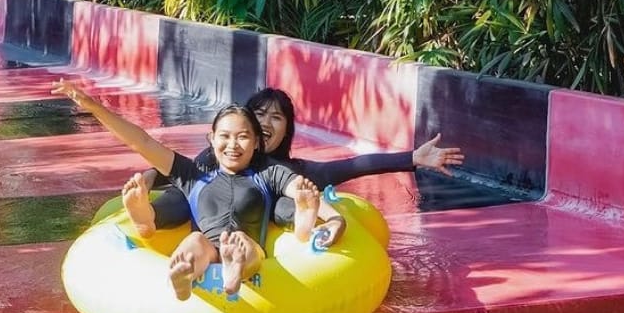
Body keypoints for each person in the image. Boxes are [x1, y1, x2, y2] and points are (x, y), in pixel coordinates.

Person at [52, 79, 343, 301]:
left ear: (256, 142)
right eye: (225, 137)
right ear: (211, 139)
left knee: (244, 244)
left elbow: (301, 190)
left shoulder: (266, 172)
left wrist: (331, 217)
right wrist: (93, 107)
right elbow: (141, 142)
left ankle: (237, 264)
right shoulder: (193, 175)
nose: (233, 144)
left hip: (249, 244)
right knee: (194, 243)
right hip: (207, 242)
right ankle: (184, 272)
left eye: (243, 137)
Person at [127, 87, 465, 244]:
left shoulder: (292, 171)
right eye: (259, 114)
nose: (266, 122)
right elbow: (180, 171)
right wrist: (147, 178)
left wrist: (412, 158)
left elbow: (354, 165)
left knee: (290, 203)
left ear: (287, 129)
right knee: (180, 198)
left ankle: (313, 226)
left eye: (277, 117)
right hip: (206, 215)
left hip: (258, 227)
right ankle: (146, 218)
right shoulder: (217, 156)